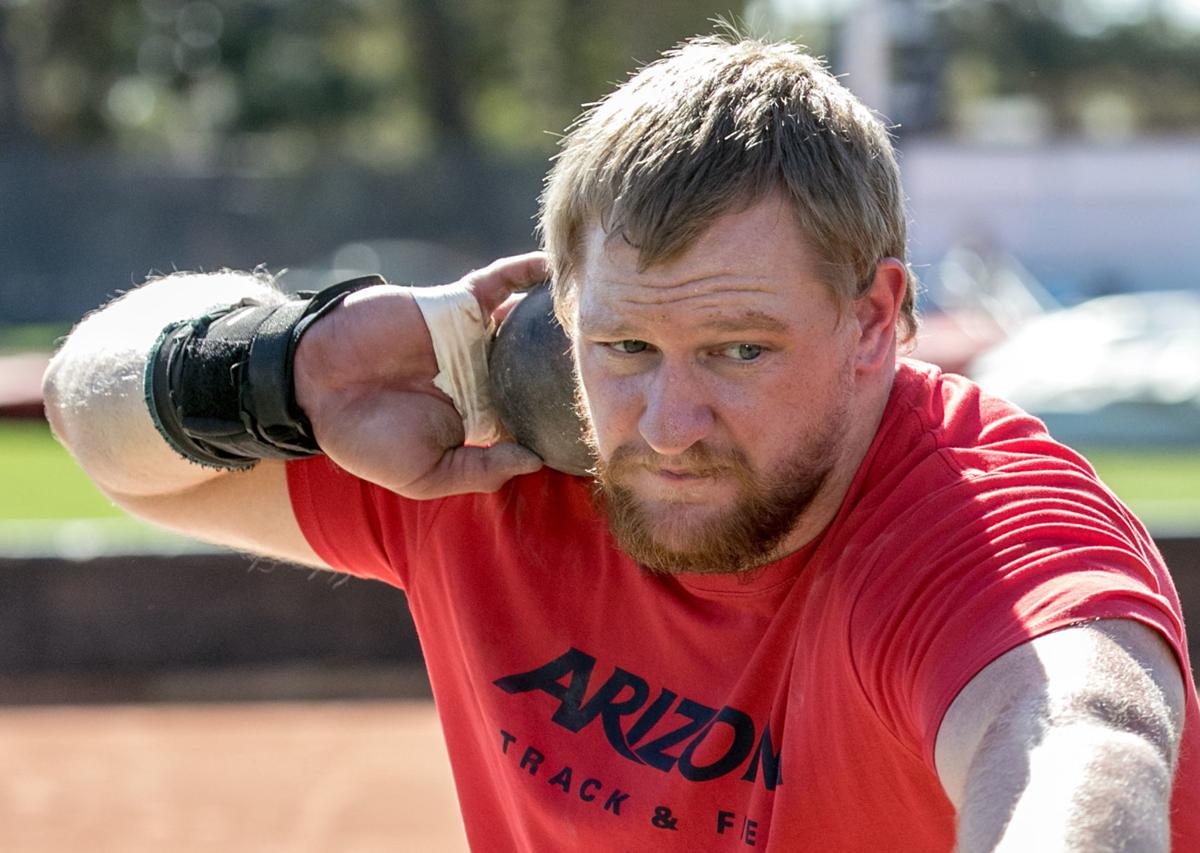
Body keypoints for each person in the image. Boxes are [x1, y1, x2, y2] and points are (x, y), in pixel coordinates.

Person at [44, 34, 1197, 852]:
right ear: (563, 305)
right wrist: (282, 366)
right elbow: (94, 422)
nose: (666, 425)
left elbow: (1083, 734)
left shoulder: (975, 532)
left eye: (740, 350)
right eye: (627, 343)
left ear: (874, 316)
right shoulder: (486, 450)